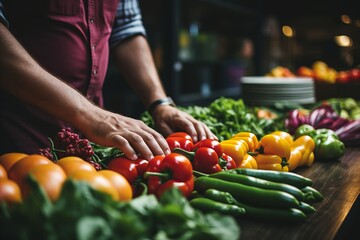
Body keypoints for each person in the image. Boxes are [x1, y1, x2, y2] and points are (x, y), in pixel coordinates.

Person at [0, 0, 215, 160]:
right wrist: (91, 115)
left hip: (91, 146)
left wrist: (160, 103)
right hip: (17, 141)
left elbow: (126, 26)